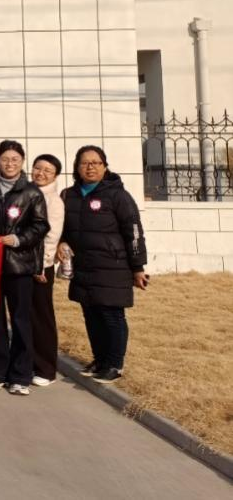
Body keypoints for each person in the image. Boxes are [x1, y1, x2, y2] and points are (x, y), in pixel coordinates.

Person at [58, 145, 147, 384]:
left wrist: (138, 267)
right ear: (77, 167)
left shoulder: (118, 195)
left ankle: (114, 364)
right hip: (83, 266)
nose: (90, 167)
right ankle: (100, 360)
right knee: (91, 314)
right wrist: (62, 242)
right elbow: (61, 227)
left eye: (96, 163)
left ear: (105, 167)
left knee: (111, 315)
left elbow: (134, 231)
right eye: (85, 163)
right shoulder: (69, 195)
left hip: (112, 266)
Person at [0, 140, 50, 396]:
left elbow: (40, 226)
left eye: (15, 159)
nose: (10, 164)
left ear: (22, 162)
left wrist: (18, 239)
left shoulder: (31, 192)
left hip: (19, 265)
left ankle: (20, 376)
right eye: (5, 159)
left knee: (21, 321)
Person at [29, 153, 65, 387]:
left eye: (47, 171)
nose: (41, 173)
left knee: (41, 317)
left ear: (55, 176)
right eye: (38, 168)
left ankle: (45, 369)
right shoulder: (27, 192)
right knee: (26, 315)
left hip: (41, 267)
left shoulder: (54, 201)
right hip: (23, 263)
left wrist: (41, 265)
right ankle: (29, 362)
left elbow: (51, 238)